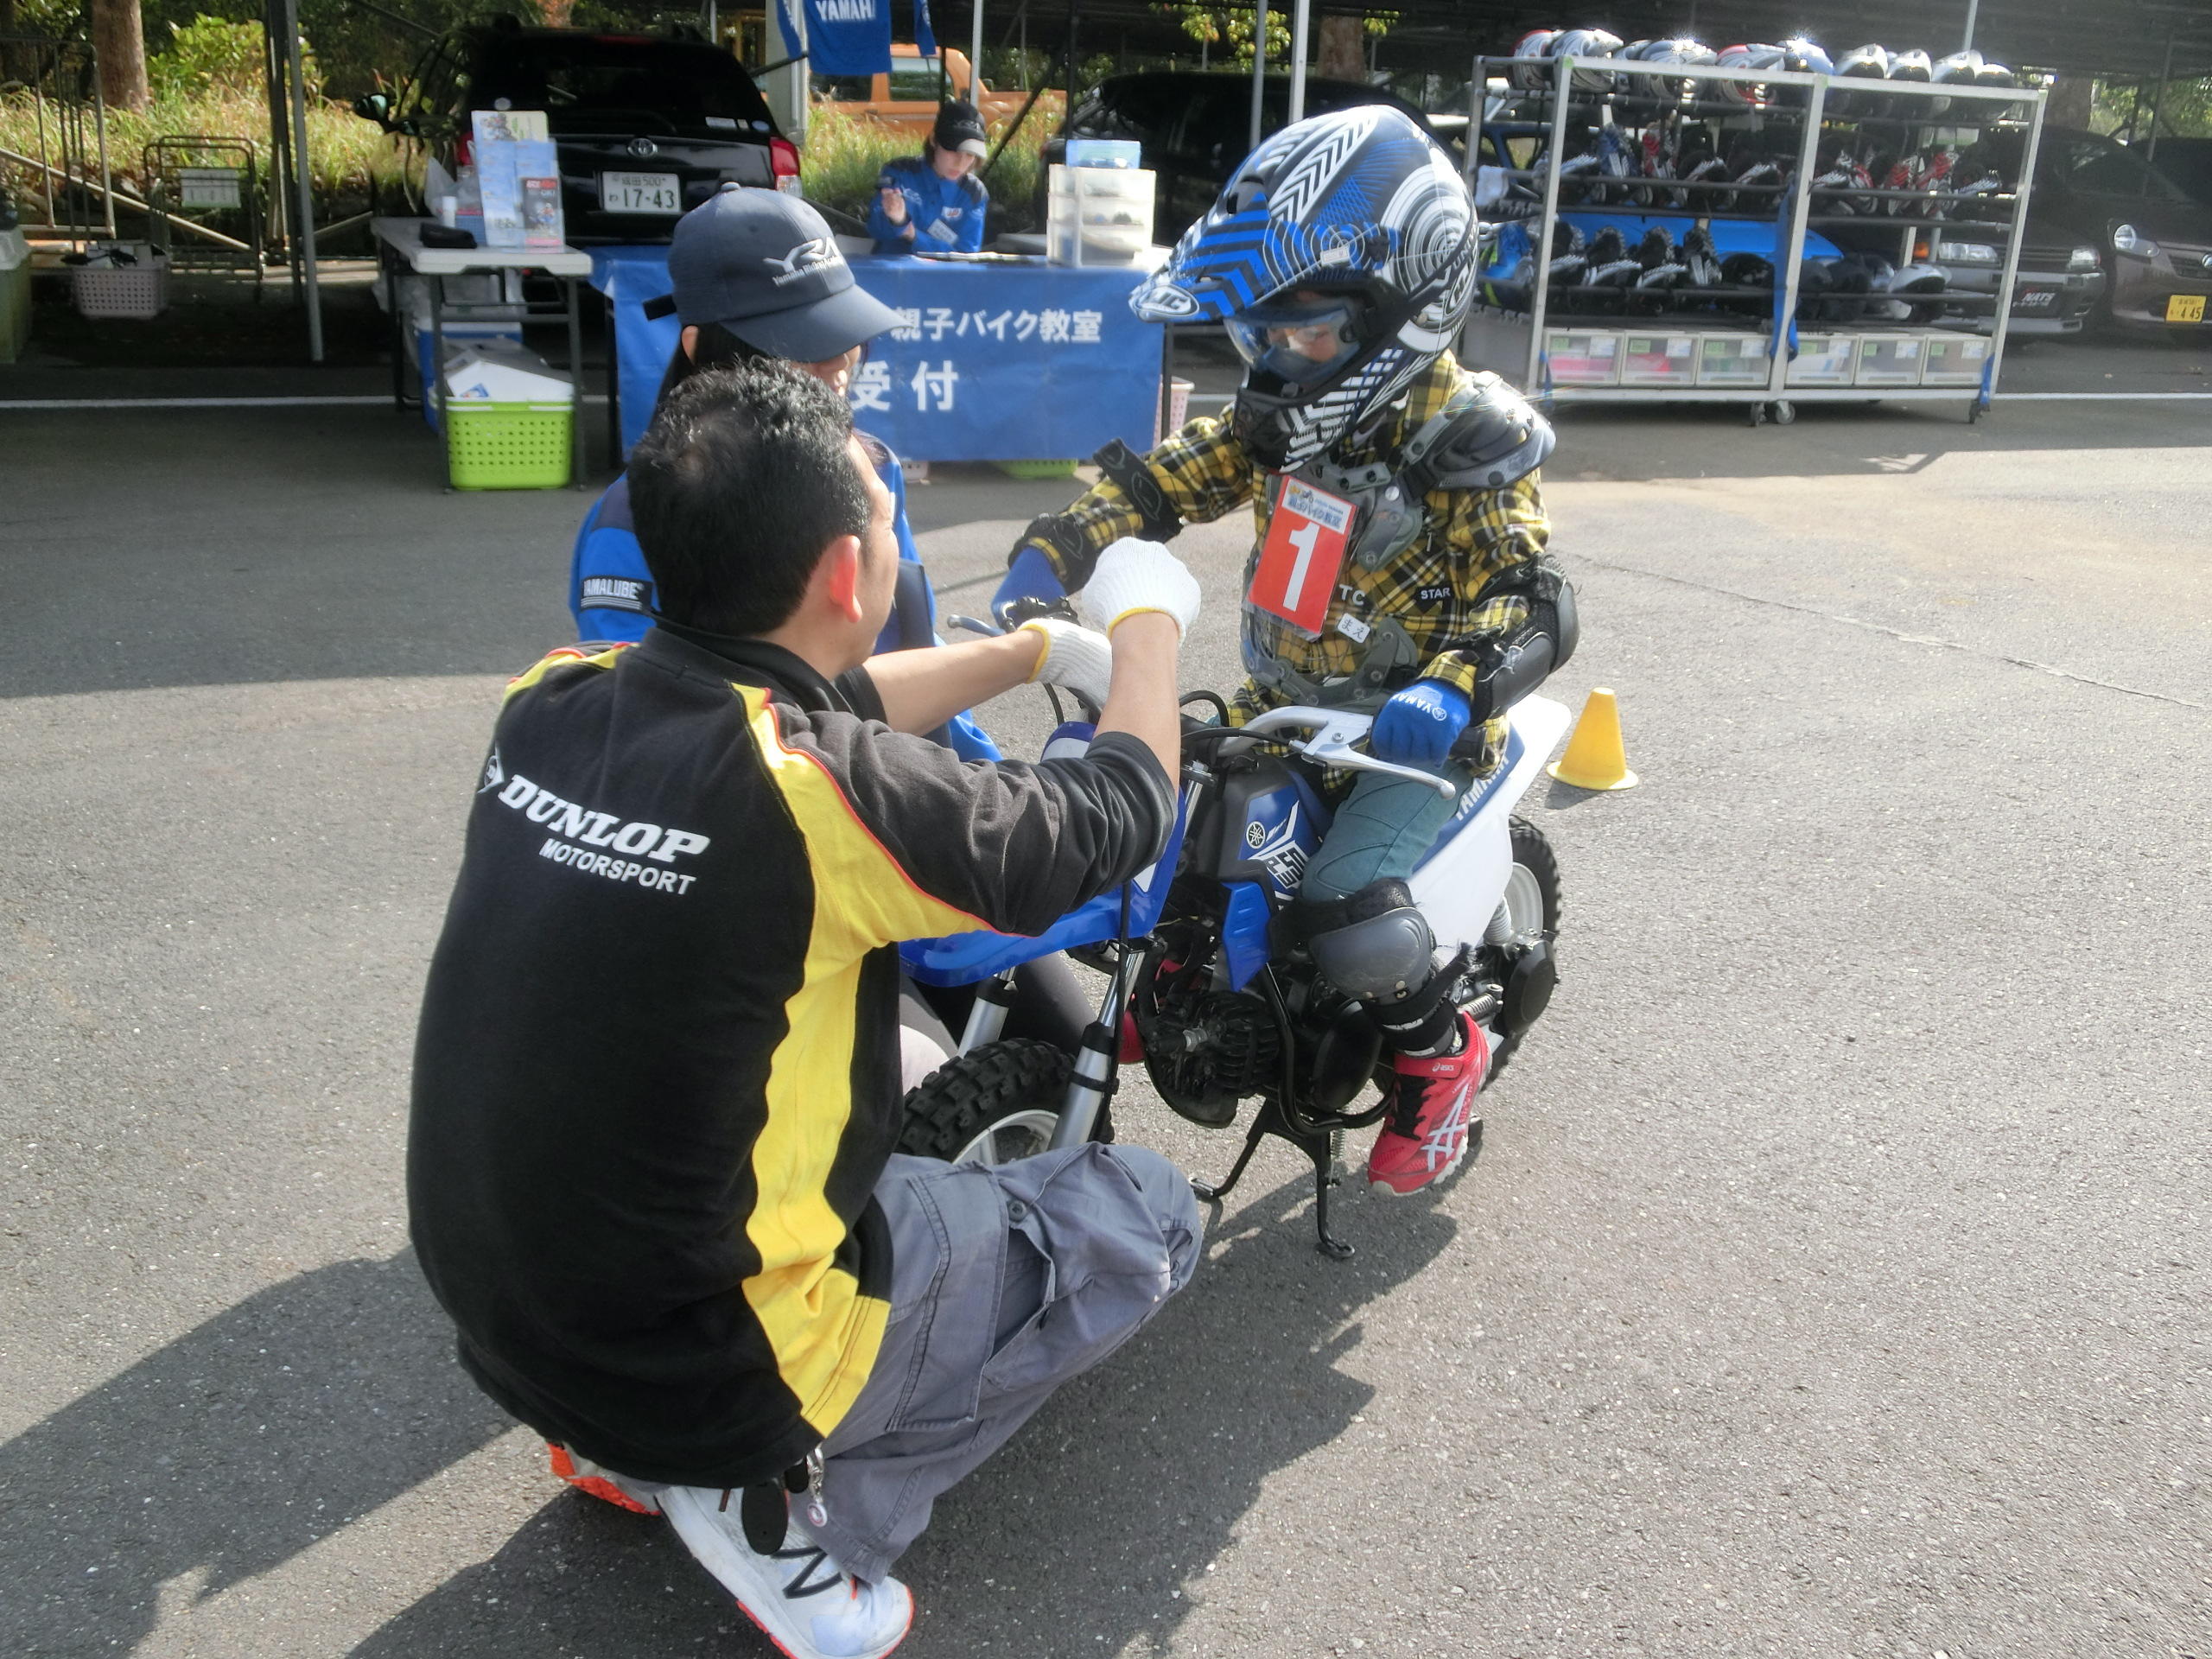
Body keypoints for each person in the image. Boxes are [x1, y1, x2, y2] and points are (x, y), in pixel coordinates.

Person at [411, 359, 1206, 1659]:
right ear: (851, 574)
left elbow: (815, 708)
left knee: (824, 1073)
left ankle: (625, 1452)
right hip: (707, 1363)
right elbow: (1108, 820)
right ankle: (792, 1517)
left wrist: (1014, 657)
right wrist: (1147, 628)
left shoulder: (551, 701)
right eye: (891, 519)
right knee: (1147, 1215)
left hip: (510, 1322)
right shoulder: (815, 799)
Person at [994, 105, 1578, 1200]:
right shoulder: (1280, 417)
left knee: (1346, 911)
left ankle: (1438, 1054)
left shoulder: (1468, 437)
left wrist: (1451, 692)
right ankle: (1178, 1003)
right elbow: (1166, 479)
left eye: (1303, 332)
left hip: (1410, 741)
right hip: (1282, 706)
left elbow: (1526, 597)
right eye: (1263, 332)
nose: (1275, 357)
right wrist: (1058, 545)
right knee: (1149, 835)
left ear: (1395, 309)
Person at [867, 99, 990, 256]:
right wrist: (896, 221)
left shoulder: (974, 193)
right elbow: (875, 230)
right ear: (934, 140)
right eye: (953, 150)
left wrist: (913, 234)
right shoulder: (900, 172)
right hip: (891, 274)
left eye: (970, 154)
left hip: (944, 278)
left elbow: (966, 256)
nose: (961, 162)